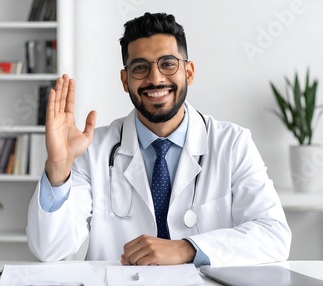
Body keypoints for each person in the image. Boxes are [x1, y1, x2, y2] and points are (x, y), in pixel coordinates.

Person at [27, 12, 291, 267]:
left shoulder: (232, 143)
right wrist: (58, 169)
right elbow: (49, 249)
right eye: (140, 67)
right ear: (125, 79)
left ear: (188, 72)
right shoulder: (94, 149)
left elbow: (274, 235)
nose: (155, 78)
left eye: (167, 63)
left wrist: (186, 248)